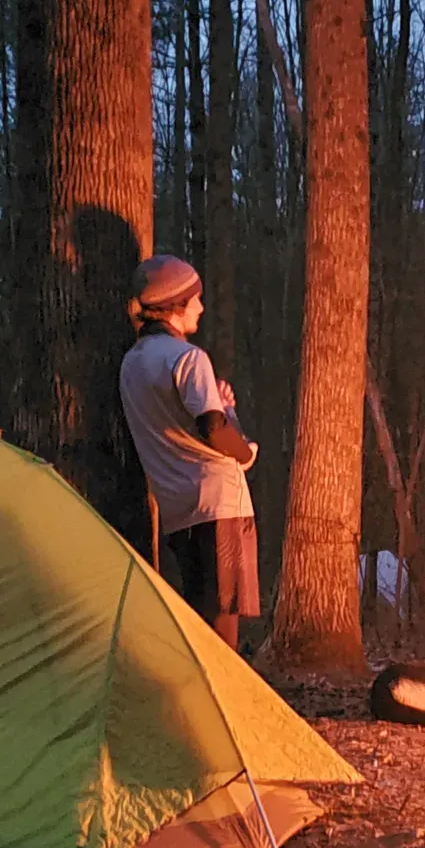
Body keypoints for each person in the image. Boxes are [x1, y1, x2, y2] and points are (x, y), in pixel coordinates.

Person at [117, 255, 259, 652]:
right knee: (222, 625)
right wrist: (244, 453)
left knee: (198, 615)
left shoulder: (132, 363)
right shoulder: (189, 358)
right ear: (177, 306)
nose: (201, 306)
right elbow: (212, 429)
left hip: (176, 510)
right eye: (195, 299)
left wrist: (223, 406)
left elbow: (189, 418)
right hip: (219, 503)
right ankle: (222, 707)